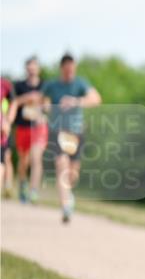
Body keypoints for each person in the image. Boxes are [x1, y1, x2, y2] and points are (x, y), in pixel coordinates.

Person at [42, 54, 101, 223]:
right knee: (61, 165)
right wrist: (46, 107)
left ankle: (68, 194)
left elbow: (96, 99)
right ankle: (65, 206)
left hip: (76, 133)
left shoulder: (80, 83)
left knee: (72, 174)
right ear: (62, 68)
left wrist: (76, 101)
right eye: (67, 69)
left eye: (72, 69)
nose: (70, 73)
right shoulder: (52, 85)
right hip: (57, 131)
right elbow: (42, 100)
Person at [12, 56, 48, 203]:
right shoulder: (19, 86)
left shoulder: (45, 85)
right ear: (26, 69)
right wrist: (27, 98)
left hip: (39, 127)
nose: (32, 69)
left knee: (36, 158)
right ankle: (23, 185)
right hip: (23, 126)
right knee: (23, 161)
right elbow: (14, 102)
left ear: (38, 68)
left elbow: (48, 104)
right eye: (29, 66)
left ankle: (33, 190)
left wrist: (42, 106)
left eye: (34, 66)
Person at [0, 76, 13, 196]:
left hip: (1, 131)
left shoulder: (5, 84)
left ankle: (8, 184)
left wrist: (8, 121)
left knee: (3, 160)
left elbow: (14, 102)